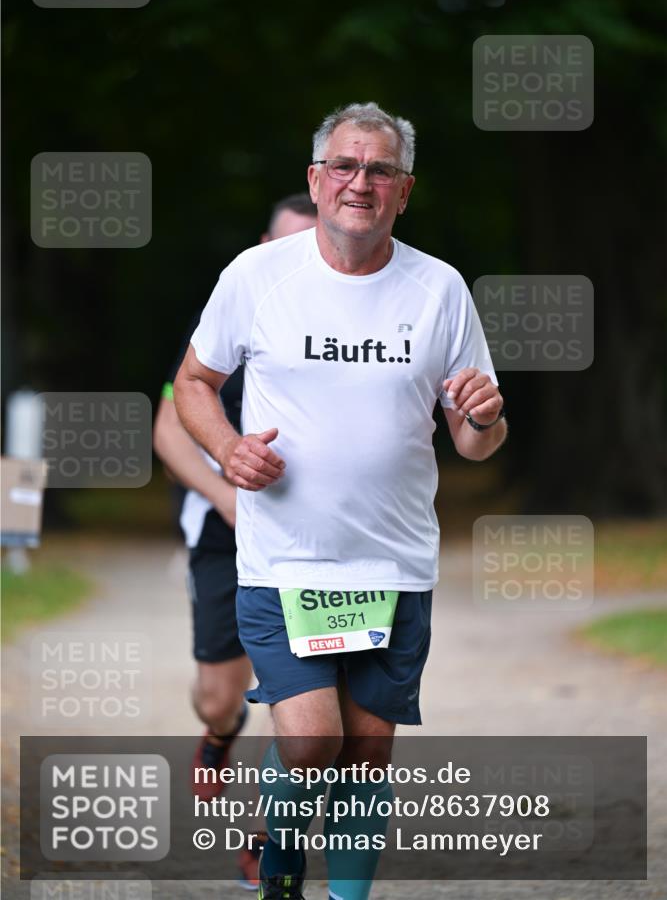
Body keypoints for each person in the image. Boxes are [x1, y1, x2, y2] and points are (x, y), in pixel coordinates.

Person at [174, 102, 506, 900]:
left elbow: (473, 439)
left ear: (404, 189)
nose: (362, 182)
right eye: (346, 166)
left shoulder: (439, 288)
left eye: (380, 170)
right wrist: (228, 448)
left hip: (391, 563)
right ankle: (281, 863)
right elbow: (194, 383)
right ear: (317, 180)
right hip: (287, 559)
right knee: (313, 742)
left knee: (366, 752)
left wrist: (485, 419)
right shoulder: (257, 276)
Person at [153, 193, 318, 889]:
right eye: (284, 247)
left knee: (308, 707)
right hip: (228, 534)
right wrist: (226, 499)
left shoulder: (357, 318)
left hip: (316, 536)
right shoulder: (230, 310)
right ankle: (218, 736)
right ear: (260, 247)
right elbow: (168, 430)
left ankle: (270, 836)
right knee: (220, 698)